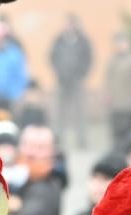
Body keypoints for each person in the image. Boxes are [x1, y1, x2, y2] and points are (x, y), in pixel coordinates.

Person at [49, 14, 94, 149]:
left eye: (71, 24)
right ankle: (58, 141)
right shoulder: (58, 40)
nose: (69, 26)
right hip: (62, 81)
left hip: (77, 81)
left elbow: (89, 59)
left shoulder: (83, 41)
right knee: (59, 113)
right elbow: (52, 57)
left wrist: (81, 74)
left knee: (80, 112)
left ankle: (81, 141)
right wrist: (58, 73)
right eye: (67, 24)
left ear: (76, 25)